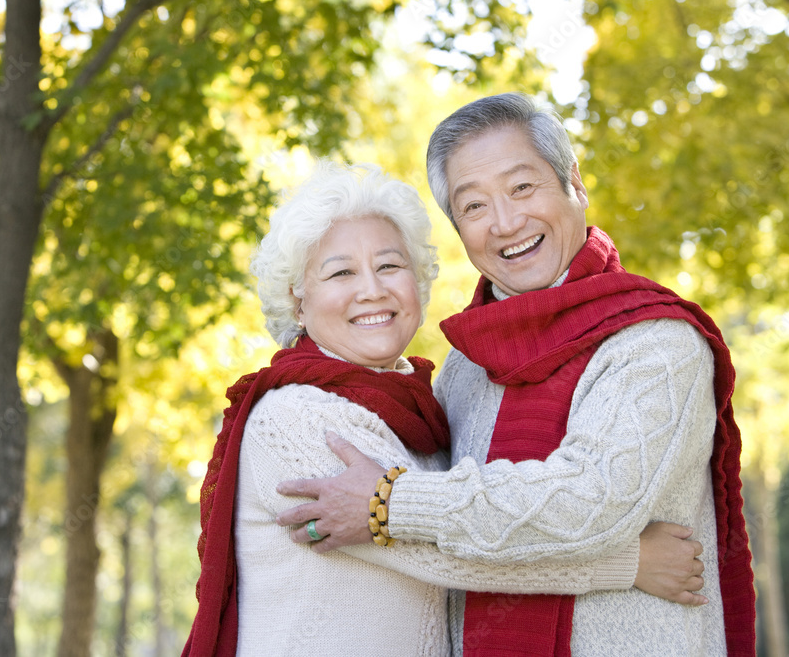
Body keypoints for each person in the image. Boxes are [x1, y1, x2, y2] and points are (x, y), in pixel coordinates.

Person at [275, 95, 757, 655]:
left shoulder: (654, 343)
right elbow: (464, 550)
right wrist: (630, 563)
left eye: (522, 188)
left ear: (572, 182)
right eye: (474, 206)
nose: (505, 223)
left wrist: (390, 504)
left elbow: (589, 505)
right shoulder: (467, 364)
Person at [181, 161, 709, 656]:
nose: (372, 290)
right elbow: (445, 555)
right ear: (298, 300)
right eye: (341, 274)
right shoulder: (295, 416)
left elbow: (442, 523)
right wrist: (629, 561)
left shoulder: (422, 411)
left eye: (390, 266)